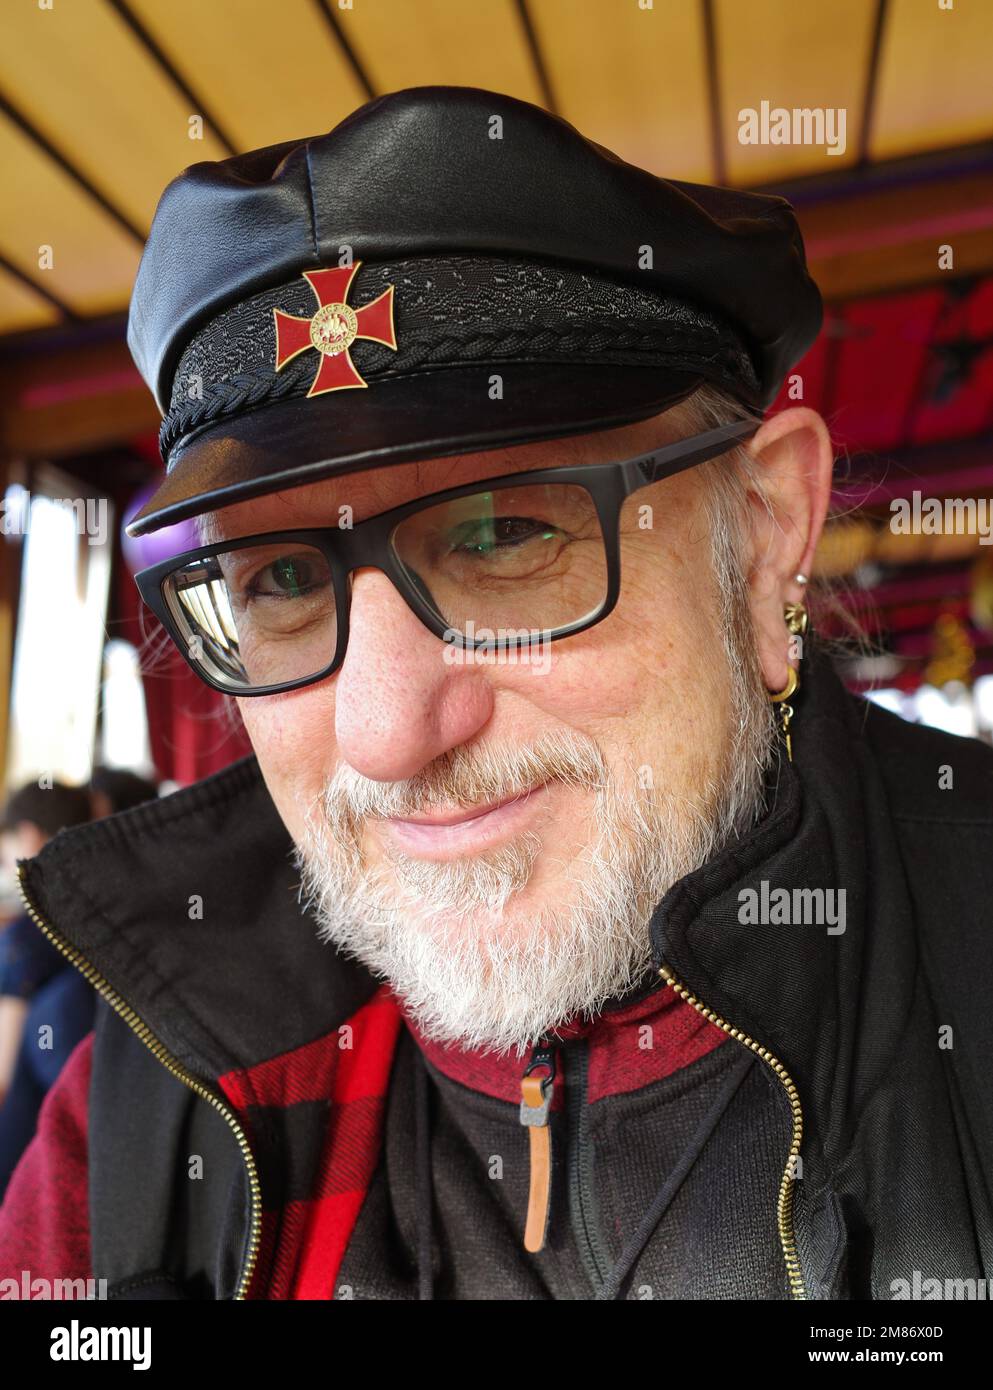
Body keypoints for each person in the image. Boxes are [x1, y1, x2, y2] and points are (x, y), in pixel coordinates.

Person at [1, 86, 991, 1301]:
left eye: (510, 533)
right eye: (284, 581)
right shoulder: (149, 1091)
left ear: (766, 528)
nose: (386, 733)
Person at [0, 782, 95, 1199]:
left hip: (21, 1156)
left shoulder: (25, 939)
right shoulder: (98, 915)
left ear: (28, 836)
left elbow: (2, 1075)